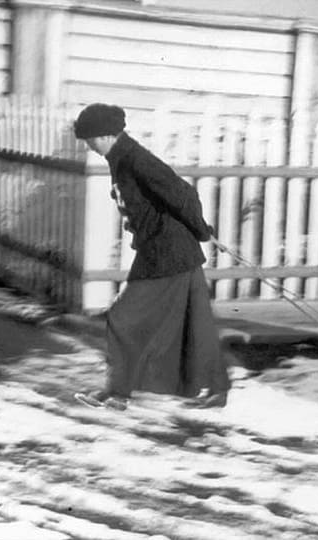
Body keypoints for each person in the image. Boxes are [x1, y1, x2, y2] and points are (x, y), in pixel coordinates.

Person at [71, 103, 230, 410]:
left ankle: (118, 392)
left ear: (105, 136)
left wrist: (201, 231)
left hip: (167, 252)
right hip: (166, 249)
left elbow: (182, 194)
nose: (89, 146)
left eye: (90, 140)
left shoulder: (135, 159)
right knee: (197, 321)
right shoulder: (121, 159)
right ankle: (216, 390)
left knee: (123, 318)